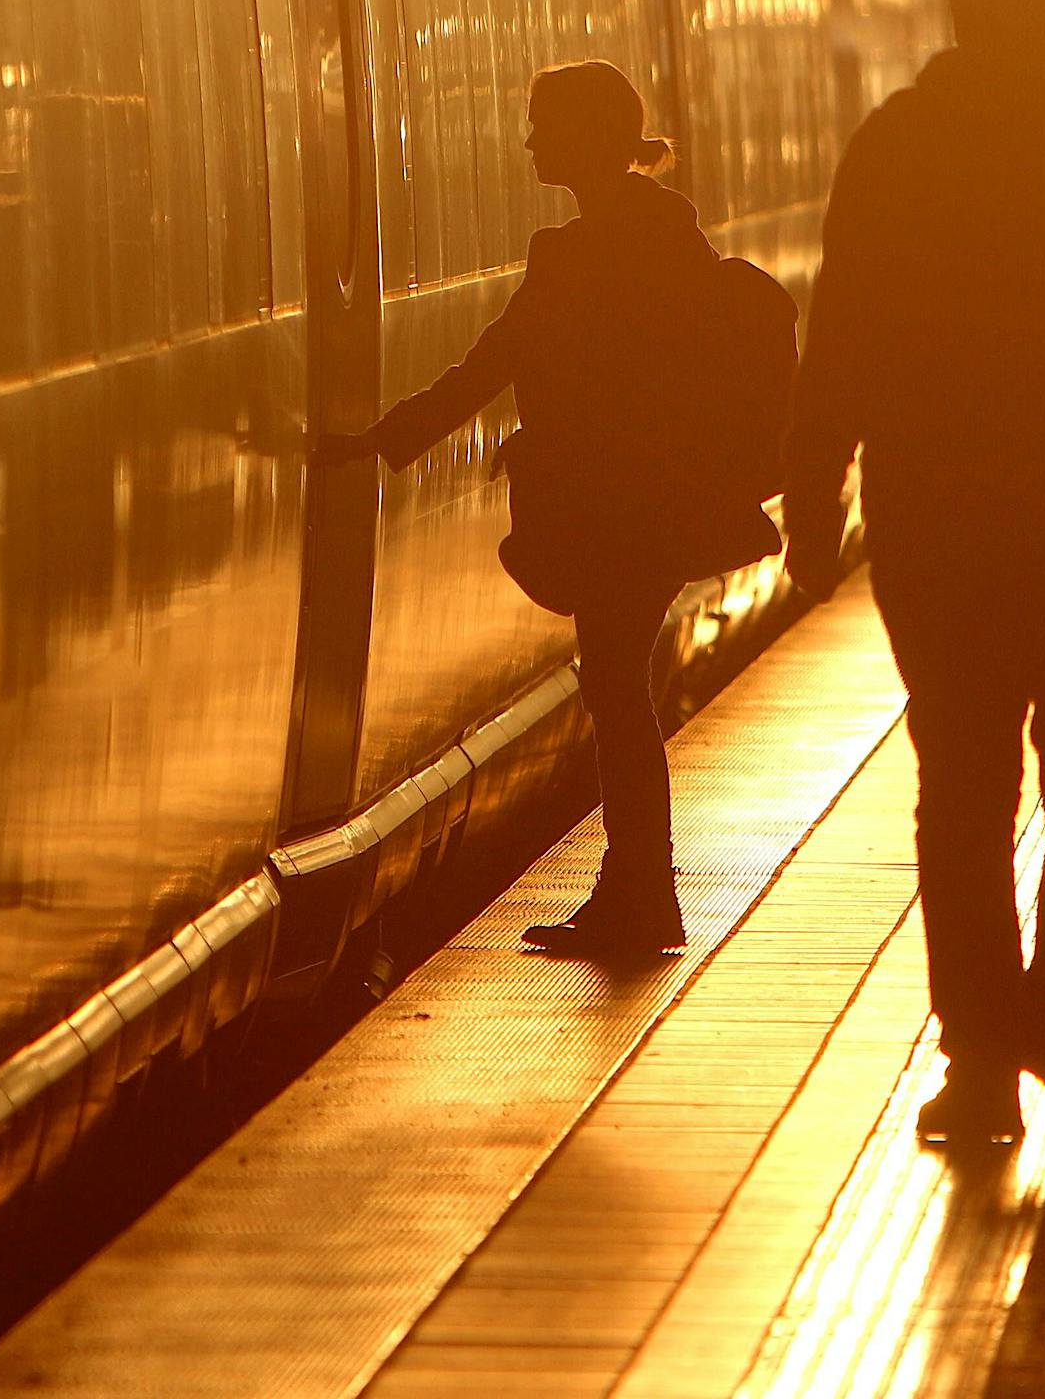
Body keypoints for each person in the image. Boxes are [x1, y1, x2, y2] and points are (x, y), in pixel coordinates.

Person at [784, 0, 1045, 1147]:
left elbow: (842, 325)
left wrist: (811, 487)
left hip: (935, 514)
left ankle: (980, 1058)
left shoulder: (897, 141)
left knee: (961, 788)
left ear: (951, 10)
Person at [317, 60, 780, 958]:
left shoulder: (607, 248)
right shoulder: (635, 239)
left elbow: (508, 363)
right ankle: (638, 892)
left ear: (590, 136)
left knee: (617, 695)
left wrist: (383, 440)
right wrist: (389, 437)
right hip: (641, 501)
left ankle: (643, 897)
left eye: (544, 124)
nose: (529, 140)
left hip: (626, 508)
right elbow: (510, 361)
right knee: (617, 693)